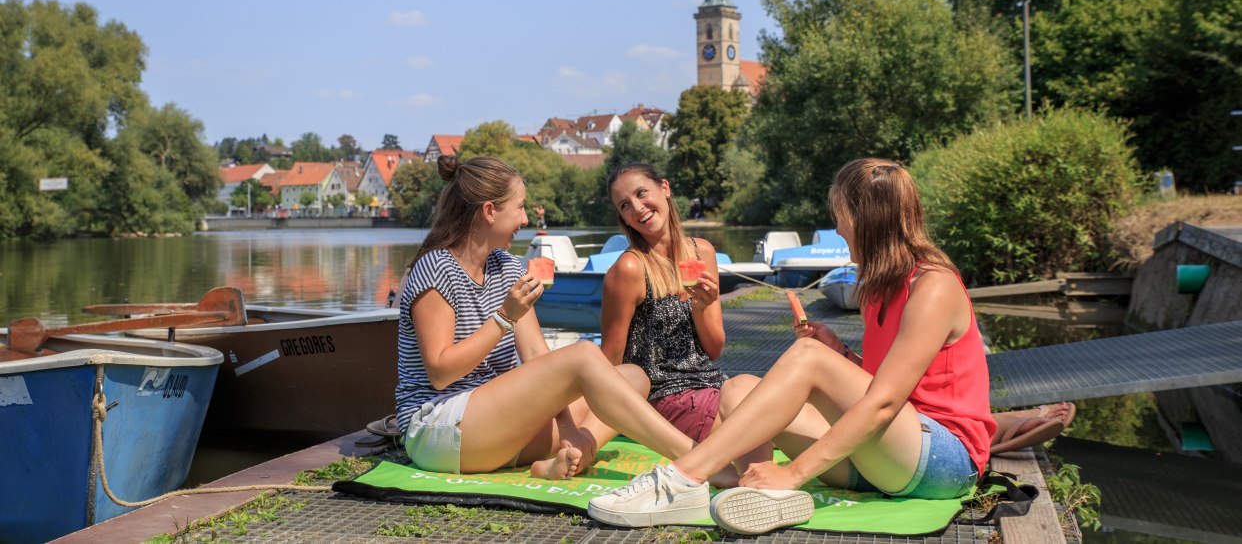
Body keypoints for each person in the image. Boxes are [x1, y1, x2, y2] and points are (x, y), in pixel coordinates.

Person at [588, 158, 998, 533]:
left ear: (867, 218)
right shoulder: (879, 287)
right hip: (889, 455)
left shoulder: (933, 285)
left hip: (944, 461)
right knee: (739, 389)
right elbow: (883, 387)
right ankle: (763, 495)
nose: (838, 229)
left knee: (807, 357)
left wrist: (797, 470)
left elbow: (884, 404)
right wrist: (841, 354)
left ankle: (684, 479)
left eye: (841, 217)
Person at [395, 155, 699, 481]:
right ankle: (696, 458)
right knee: (583, 354)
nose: (525, 219)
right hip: (440, 431)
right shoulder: (436, 267)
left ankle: (575, 452)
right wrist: (504, 318)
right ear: (489, 211)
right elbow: (440, 372)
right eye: (520, 207)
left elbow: (537, 358)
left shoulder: (508, 268)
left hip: (499, 432)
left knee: (634, 377)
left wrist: (568, 429)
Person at [600, 163, 758, 486]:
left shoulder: (703, 252)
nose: (638, 209)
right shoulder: (630, 268)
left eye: (641, 193)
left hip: (711, 383)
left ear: (665, 189)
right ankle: (757, 483)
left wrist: (704, 306)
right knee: (758, 419)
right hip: (662, 396)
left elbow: (713, 349)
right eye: (625, 205)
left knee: (760, 395)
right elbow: (608, 365)